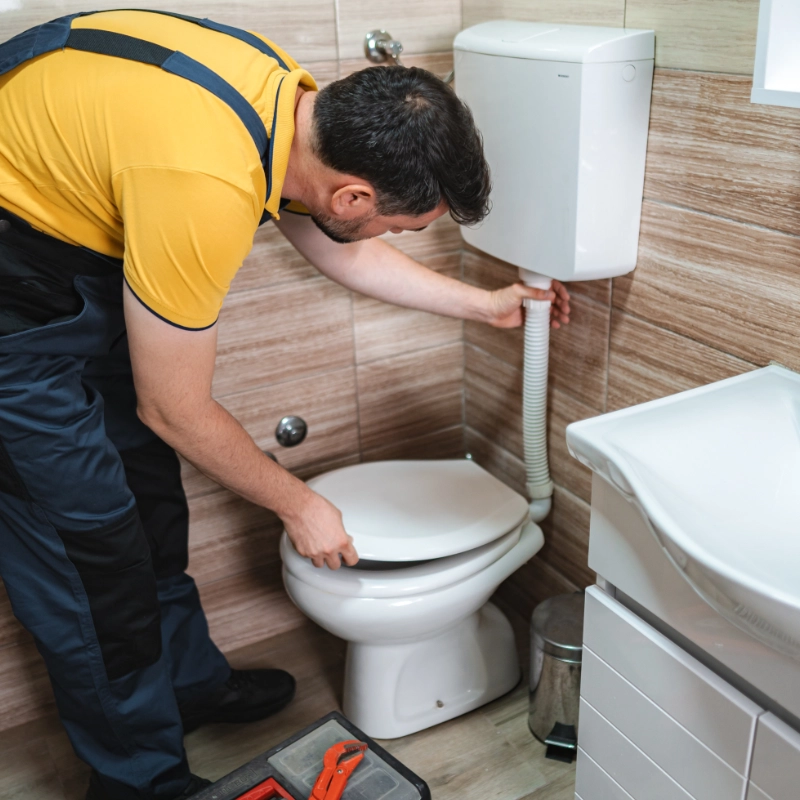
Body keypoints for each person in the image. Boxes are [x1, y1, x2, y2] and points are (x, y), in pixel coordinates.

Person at [0, 9, 571, 800]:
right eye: (402, 227)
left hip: (64, 251)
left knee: (148, 500)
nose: (394, 237)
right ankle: (138, 782)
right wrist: (298, 504)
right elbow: (175, 408)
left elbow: (336, 242)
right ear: (354, 194)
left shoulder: (288, 102)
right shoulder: (202, 183)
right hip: (15, 306)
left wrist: (485, 305)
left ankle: (185, 685)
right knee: (90, 549)